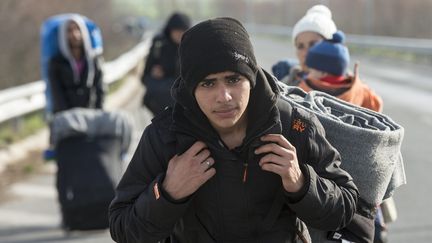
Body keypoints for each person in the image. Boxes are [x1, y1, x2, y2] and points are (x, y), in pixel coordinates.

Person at [109, 17, 358, 243]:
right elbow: (123, 229)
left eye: (233, 79)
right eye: (208, 83)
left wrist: (302, 182)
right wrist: (167, 193)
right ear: (191, 88)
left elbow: (345, 209)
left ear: (250, 78)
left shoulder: (294, 125)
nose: (224, 97)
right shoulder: (166, 137)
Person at [301, 30, 383, 112]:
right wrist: (363, 86)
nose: (308, 74)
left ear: (323, 73)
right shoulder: (357, 90)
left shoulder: (307, 88)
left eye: (311, 70)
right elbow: (376, 106)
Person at [48, 15, 105, 114]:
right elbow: (57, 93)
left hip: (91, 115)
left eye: (77, 29)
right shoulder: (56, 63)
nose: (74, 34)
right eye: (69, 30)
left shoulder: (93, 60)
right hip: (67, 120)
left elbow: (100, 88)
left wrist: (97, 113)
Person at [273, 4, 337, 86]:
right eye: (300, 46)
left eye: (313, 45)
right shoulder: (285, 83)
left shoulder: (349, 88)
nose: (305, 53)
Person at [141, 12, 191, 115]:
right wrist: (153, 75)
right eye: (176, 31)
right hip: (161, 105)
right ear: (170, 31)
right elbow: (144, 76)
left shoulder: (192, 47)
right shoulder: (159, 45)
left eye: (183, 31)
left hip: (186, 104)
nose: (179, 34)